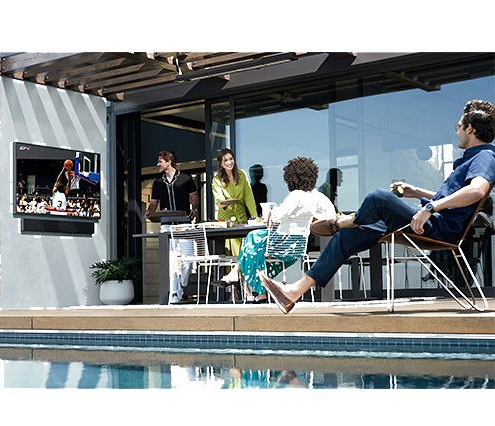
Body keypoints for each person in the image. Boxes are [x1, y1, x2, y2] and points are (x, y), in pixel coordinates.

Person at [260, 100, 495, 314]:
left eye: (459, 126)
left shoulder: (484, 155)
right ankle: (293, 292)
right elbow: (453, 196)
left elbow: (477, 191)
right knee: (346, 238)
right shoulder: (471, 157)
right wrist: (417, 192)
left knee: (378, 197)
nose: (456, 130)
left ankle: (346, 220)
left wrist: (429, 208)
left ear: (471, 129)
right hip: (426, 219)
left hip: (437, 226)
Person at [213, 157, 336, 303]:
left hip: (281, 244)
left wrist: (271, 213)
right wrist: (311, 221)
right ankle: (254, 288)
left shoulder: (296, 195)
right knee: (255, 249)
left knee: (252, 238)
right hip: (297, 248)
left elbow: (277, 216)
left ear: (291, 177)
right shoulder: (318, 197)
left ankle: (245, 280)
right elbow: (331, 215)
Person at [145, 150, 199, 304]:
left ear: (169, 162)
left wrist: (194, 209)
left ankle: (182, 280)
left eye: (160, 161)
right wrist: (149, 212)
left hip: (184, 223)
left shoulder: (185, 178)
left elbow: (194, 197)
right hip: (167, 225)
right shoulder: (158, 182)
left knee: (188, 259)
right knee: (172, 260)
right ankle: (174, 293)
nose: (157, 164)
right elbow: (154, 202)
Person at [212, 148, 258, 256]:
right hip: (226, 220)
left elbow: (249, 198)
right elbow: (219, 201)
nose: (229, 162)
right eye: (225, 160)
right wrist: (224, 203)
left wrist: (255, 218)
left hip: (241, 218)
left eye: (231, 159)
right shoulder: (217, 180)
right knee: (231, 253)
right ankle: (231, 273)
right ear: (221, 164)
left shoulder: (241, 175)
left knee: (244, 251)